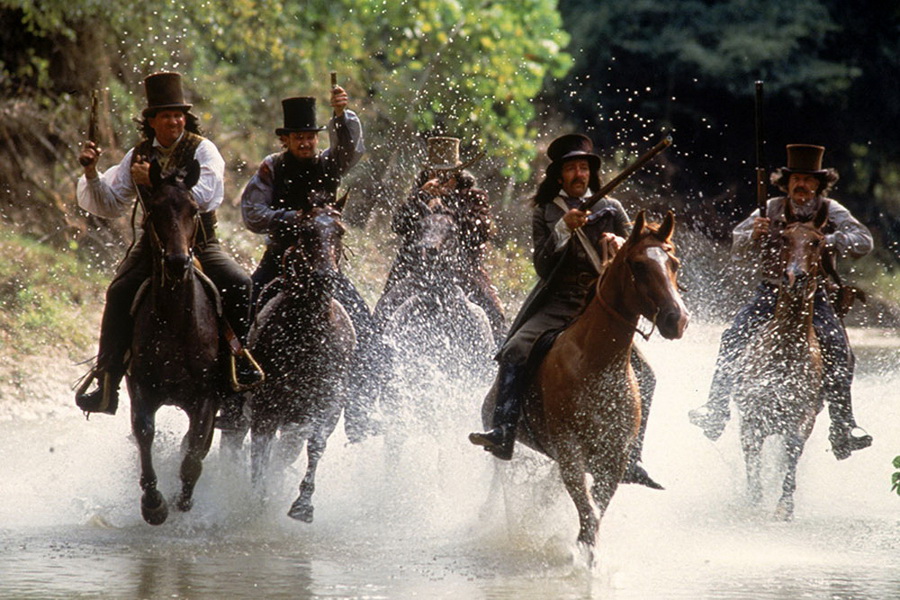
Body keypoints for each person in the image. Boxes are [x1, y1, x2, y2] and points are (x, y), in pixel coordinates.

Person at [468, 133, 661, 488]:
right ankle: (504, 430)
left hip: (600, 305)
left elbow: (633, 256)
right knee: (515, 350)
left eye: (583, 168)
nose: (579, 174)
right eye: (571, 168)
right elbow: (542, 266)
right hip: (559, 302)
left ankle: (633, 456)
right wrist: (563, 230)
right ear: (560, 175)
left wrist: (619, 243)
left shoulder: (613, 209)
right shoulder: (545, 212)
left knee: (646, 375)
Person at [74, 71, 256, 415]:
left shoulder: (203, 150)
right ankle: (107, 378)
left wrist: (156, 183)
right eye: (167, 115)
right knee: (119, 290)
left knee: (239, 283)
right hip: (154, 244)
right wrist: (91, 172)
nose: (174, 121)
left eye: (178, 115)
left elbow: (207, 195)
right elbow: (111, 203)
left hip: (200, 241)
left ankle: (238, 366)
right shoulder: (138, 155)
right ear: (152, 121)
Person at [688, 144, 874, 460]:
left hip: (815, 297)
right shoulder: (770, 208)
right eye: (796, 179)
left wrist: (827, 240)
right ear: (786, 183)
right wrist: (753, 234)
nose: (801, 185)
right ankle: (716, 408)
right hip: (771, 293)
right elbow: (737, 243)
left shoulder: (832, 210)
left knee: (839, 347)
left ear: (819, 184)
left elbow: (864, 241)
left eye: (808, 180)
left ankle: (843, 426)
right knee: (733, 336)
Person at [238, 89, 377, 442]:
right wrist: (292, 218)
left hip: (325, 266)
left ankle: (359, 412)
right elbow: (252, 213)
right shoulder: (271, 167)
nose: (305, 142)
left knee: (367, 328)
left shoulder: (330, 163)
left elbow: (352, 150)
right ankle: (233, 400)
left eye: (310, 136)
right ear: (285, 140)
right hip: (280, 261)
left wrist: (342, 116)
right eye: (298, 137)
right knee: (242, 310)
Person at [385, 136, 505, 344]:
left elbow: (481, 231)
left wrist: (446, 210)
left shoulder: (473, 197)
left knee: (495, 312)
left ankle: (500, 353)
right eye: (435, 173)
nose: (440, 179)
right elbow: (398, 225)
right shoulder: (418, 194)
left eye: (446, 175)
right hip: (415, 268)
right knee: (383, 310)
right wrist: (421, 198)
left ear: (457, 174)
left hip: (463, 269)